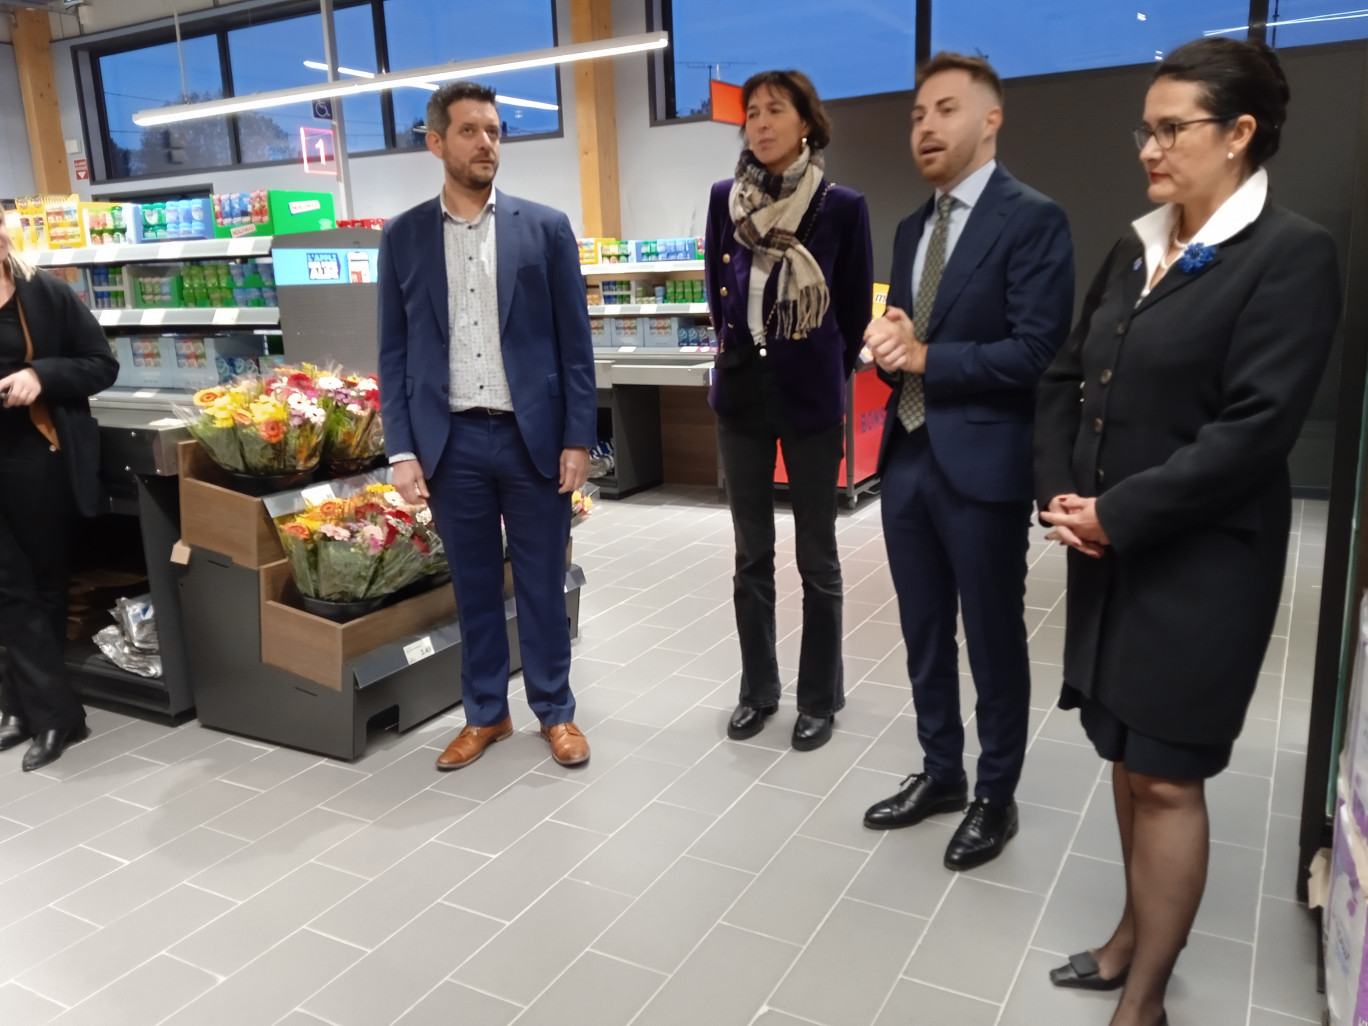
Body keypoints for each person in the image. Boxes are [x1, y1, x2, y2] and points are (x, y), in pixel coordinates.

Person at [1034, 38, 1340, 1026]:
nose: (1148, 149)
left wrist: (1116, 514)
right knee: (1125, 756)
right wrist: (1061, 495)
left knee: (1166, 778)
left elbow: (1254, 434)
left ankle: (1148, 1000)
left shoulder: (1292, 256)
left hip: (1202, 566)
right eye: (1147, 128)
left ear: (1240, 134)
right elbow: (1069, 376)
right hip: (1110, 552)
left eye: (1172, 129)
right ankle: (1130, 938)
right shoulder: (1137, 244)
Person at [861, 52, 1075, 869]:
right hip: (908, 456)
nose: (925, 126)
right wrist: (886, 348)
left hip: (983, 464)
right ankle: (942, 771)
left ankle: (996, 794)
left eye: (945, 109)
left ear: (990, 120)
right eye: (917, 113)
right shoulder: (913, 226)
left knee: (990, 637)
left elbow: (1035, 352)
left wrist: (921, 359)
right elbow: (905, 329)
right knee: (921, 632)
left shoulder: (1033, 219)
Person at [377, 81, 597, 771]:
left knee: (540, 583)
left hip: (532, 438)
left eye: (496, 131)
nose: (487, 144)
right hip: (452, 445)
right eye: (471, 131)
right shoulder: (404, 235)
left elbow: (574, 346)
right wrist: (403, 448)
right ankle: (486, 714)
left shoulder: (545, 228)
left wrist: (577, 437)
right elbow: (393, 348)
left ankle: (555, 713)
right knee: (473, 587)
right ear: (436, 142)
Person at [704, 70, 873, 752]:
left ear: (807, 122)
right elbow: (721, 296)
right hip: (741, 393)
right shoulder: (726, 200)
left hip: (808, 396)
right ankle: (758, 690)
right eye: (752, 112)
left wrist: (817, 369)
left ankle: (819, 698)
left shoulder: (841, 205)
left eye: (777, 110)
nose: (762, 122)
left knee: (817, 557)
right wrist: (740, 350)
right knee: (751, 554)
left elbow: (854, 308)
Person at [0, 219, 118, 772]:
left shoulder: (44, 292)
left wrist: (40, 375)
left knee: (41, 584)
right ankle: (45, 710)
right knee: (9, 588)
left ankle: (37, 711)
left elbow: (101, 364)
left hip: (34, 457)